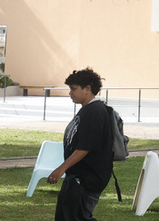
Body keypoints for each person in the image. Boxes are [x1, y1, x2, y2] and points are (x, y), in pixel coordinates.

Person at [47, 68, 113, 221]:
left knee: (79, 217)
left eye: (73, 89)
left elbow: (84, 148)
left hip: (87, 179)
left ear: (87, 89)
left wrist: (61, 169)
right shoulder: (86, 110)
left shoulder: (95, 111)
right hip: (76, 177)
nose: (70, 93)